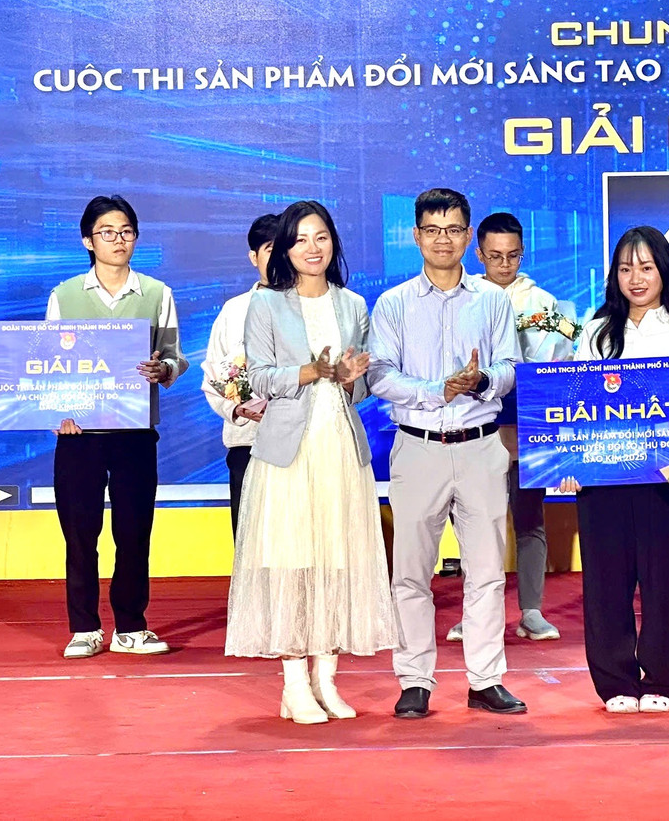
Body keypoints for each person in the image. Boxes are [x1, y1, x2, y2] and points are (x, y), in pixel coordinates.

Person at [224, 201, 396, 724]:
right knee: (292, 562)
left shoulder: (353, 304)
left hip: (340, 449)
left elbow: (361, 385)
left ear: (333, 242)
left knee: (335, 562)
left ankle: (327, 680)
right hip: (288, 453)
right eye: (300, 239)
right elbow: (258, 377)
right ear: (285, 248)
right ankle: (294, 683)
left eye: (321, 237)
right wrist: (307, 371)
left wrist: (349, 376)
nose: (312, 247)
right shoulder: (266, 304)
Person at [368, 188, 527, 719]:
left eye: (454, 229)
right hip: (417, 448)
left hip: (481, 446)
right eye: (433, 230)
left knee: (487, 571)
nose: (443, 240)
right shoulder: (393, 304)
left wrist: (481, 381)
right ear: (415, 236)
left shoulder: (492, 300)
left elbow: (510, 368)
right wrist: (438, 390)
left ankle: (486, 679)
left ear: (468, 236)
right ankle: (415, 679)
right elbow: (379, 375)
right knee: (411, 573)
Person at [558, 226, 669, 714]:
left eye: (645, 268)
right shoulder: (595, 333)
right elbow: (574, 404)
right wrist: (570, 462)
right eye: (625, 269)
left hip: (665, 479)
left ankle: (664, 679)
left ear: (664, 272)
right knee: (605, 584)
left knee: (664, 582)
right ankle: (615, 680)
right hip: (603, 478)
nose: (635, 278)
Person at [48, 195, 189, 659]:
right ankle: (84, 628)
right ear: (88, 240)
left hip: (134, 433)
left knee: (133, 532)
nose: (118, 240)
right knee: (79, 535)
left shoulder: (157, 293)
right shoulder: (65, 294)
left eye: (126, 231)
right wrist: (58, 412)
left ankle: (130, 626)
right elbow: (49, 364)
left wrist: (163, 370)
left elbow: (176, 357)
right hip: (79, 436)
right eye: (107, 232)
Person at [439, 211, 568, 644]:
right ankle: (477, 613)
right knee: (475, 524)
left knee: (530, 519)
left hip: (527, 425)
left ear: (522, 253)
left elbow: (561, 364)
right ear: (479, 254)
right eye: (495, 256)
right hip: (474, 426)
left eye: (512, 256)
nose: (504, 264)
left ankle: (531, 611)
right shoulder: (461, 300)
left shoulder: (545, 303)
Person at [201, 212, 279, 538]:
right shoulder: (233, 311)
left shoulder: (316, 306)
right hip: (248, 445)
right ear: (254, 257)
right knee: (250, 546)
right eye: (272, 249)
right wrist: (237, 408)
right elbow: (214, 373)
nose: (281, 257)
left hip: (307, 446)